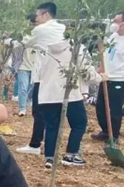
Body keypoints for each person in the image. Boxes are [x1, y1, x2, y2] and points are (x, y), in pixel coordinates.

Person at [38, 38, 102, 168]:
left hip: (49, 93)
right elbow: (86, 70)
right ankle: (71, 154)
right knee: (79, 123)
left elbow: (40, 71)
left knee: (51, 126)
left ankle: (49, 158)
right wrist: (100, 78)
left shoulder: (47, 48)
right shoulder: (77, 47)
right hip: (70, 93)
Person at [16, 3, 66, 155]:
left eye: (37, 15)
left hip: (42, 76)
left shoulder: (40, 30)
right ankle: (52, 147)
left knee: (38, 112)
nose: (35, 18)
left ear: (46, 15)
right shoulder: (63, 29)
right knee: (54, 114)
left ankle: (35, 144)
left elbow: (25, 42)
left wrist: (13, 38)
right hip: (60, 77)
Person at [92, 11, 124, 143]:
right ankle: (105, 131)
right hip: (106, 77)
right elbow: (105, 54)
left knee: (114, 109)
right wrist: (100, 69)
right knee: (100, 107)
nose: (113, 23)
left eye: (116, 21)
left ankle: (114, 135)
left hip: (120, 79)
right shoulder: (113, 37)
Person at [16, 15, 38, 116]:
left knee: (32, 87)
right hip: (23, 66)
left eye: (33, 24)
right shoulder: (24, 35)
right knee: (23, 87)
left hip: (35, 67)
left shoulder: (39, 36)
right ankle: (22, 108)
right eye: (30, 24)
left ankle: (28, 101)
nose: (31, 26)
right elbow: (18, 44)